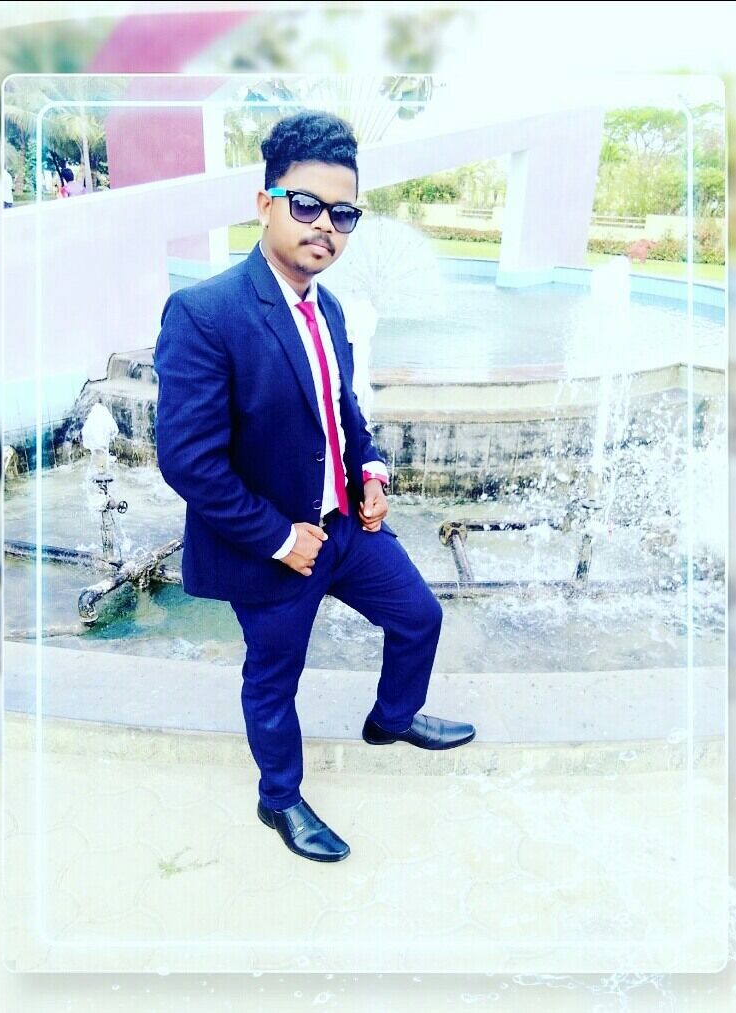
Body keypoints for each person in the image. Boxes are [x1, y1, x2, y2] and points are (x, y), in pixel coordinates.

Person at [153, 109, 476, 864]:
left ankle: (393, 718)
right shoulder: (205, 313)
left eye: (343, 213)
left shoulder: (327, 307)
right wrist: (277, 537)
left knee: (420, 616)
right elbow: (188, 460)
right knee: (274, 680)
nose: (325, 225)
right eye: (306, 204)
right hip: (271, 549)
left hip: (345, 530)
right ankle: (279, 798)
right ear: (264, 203)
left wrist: (370, 470)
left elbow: (341, 409)